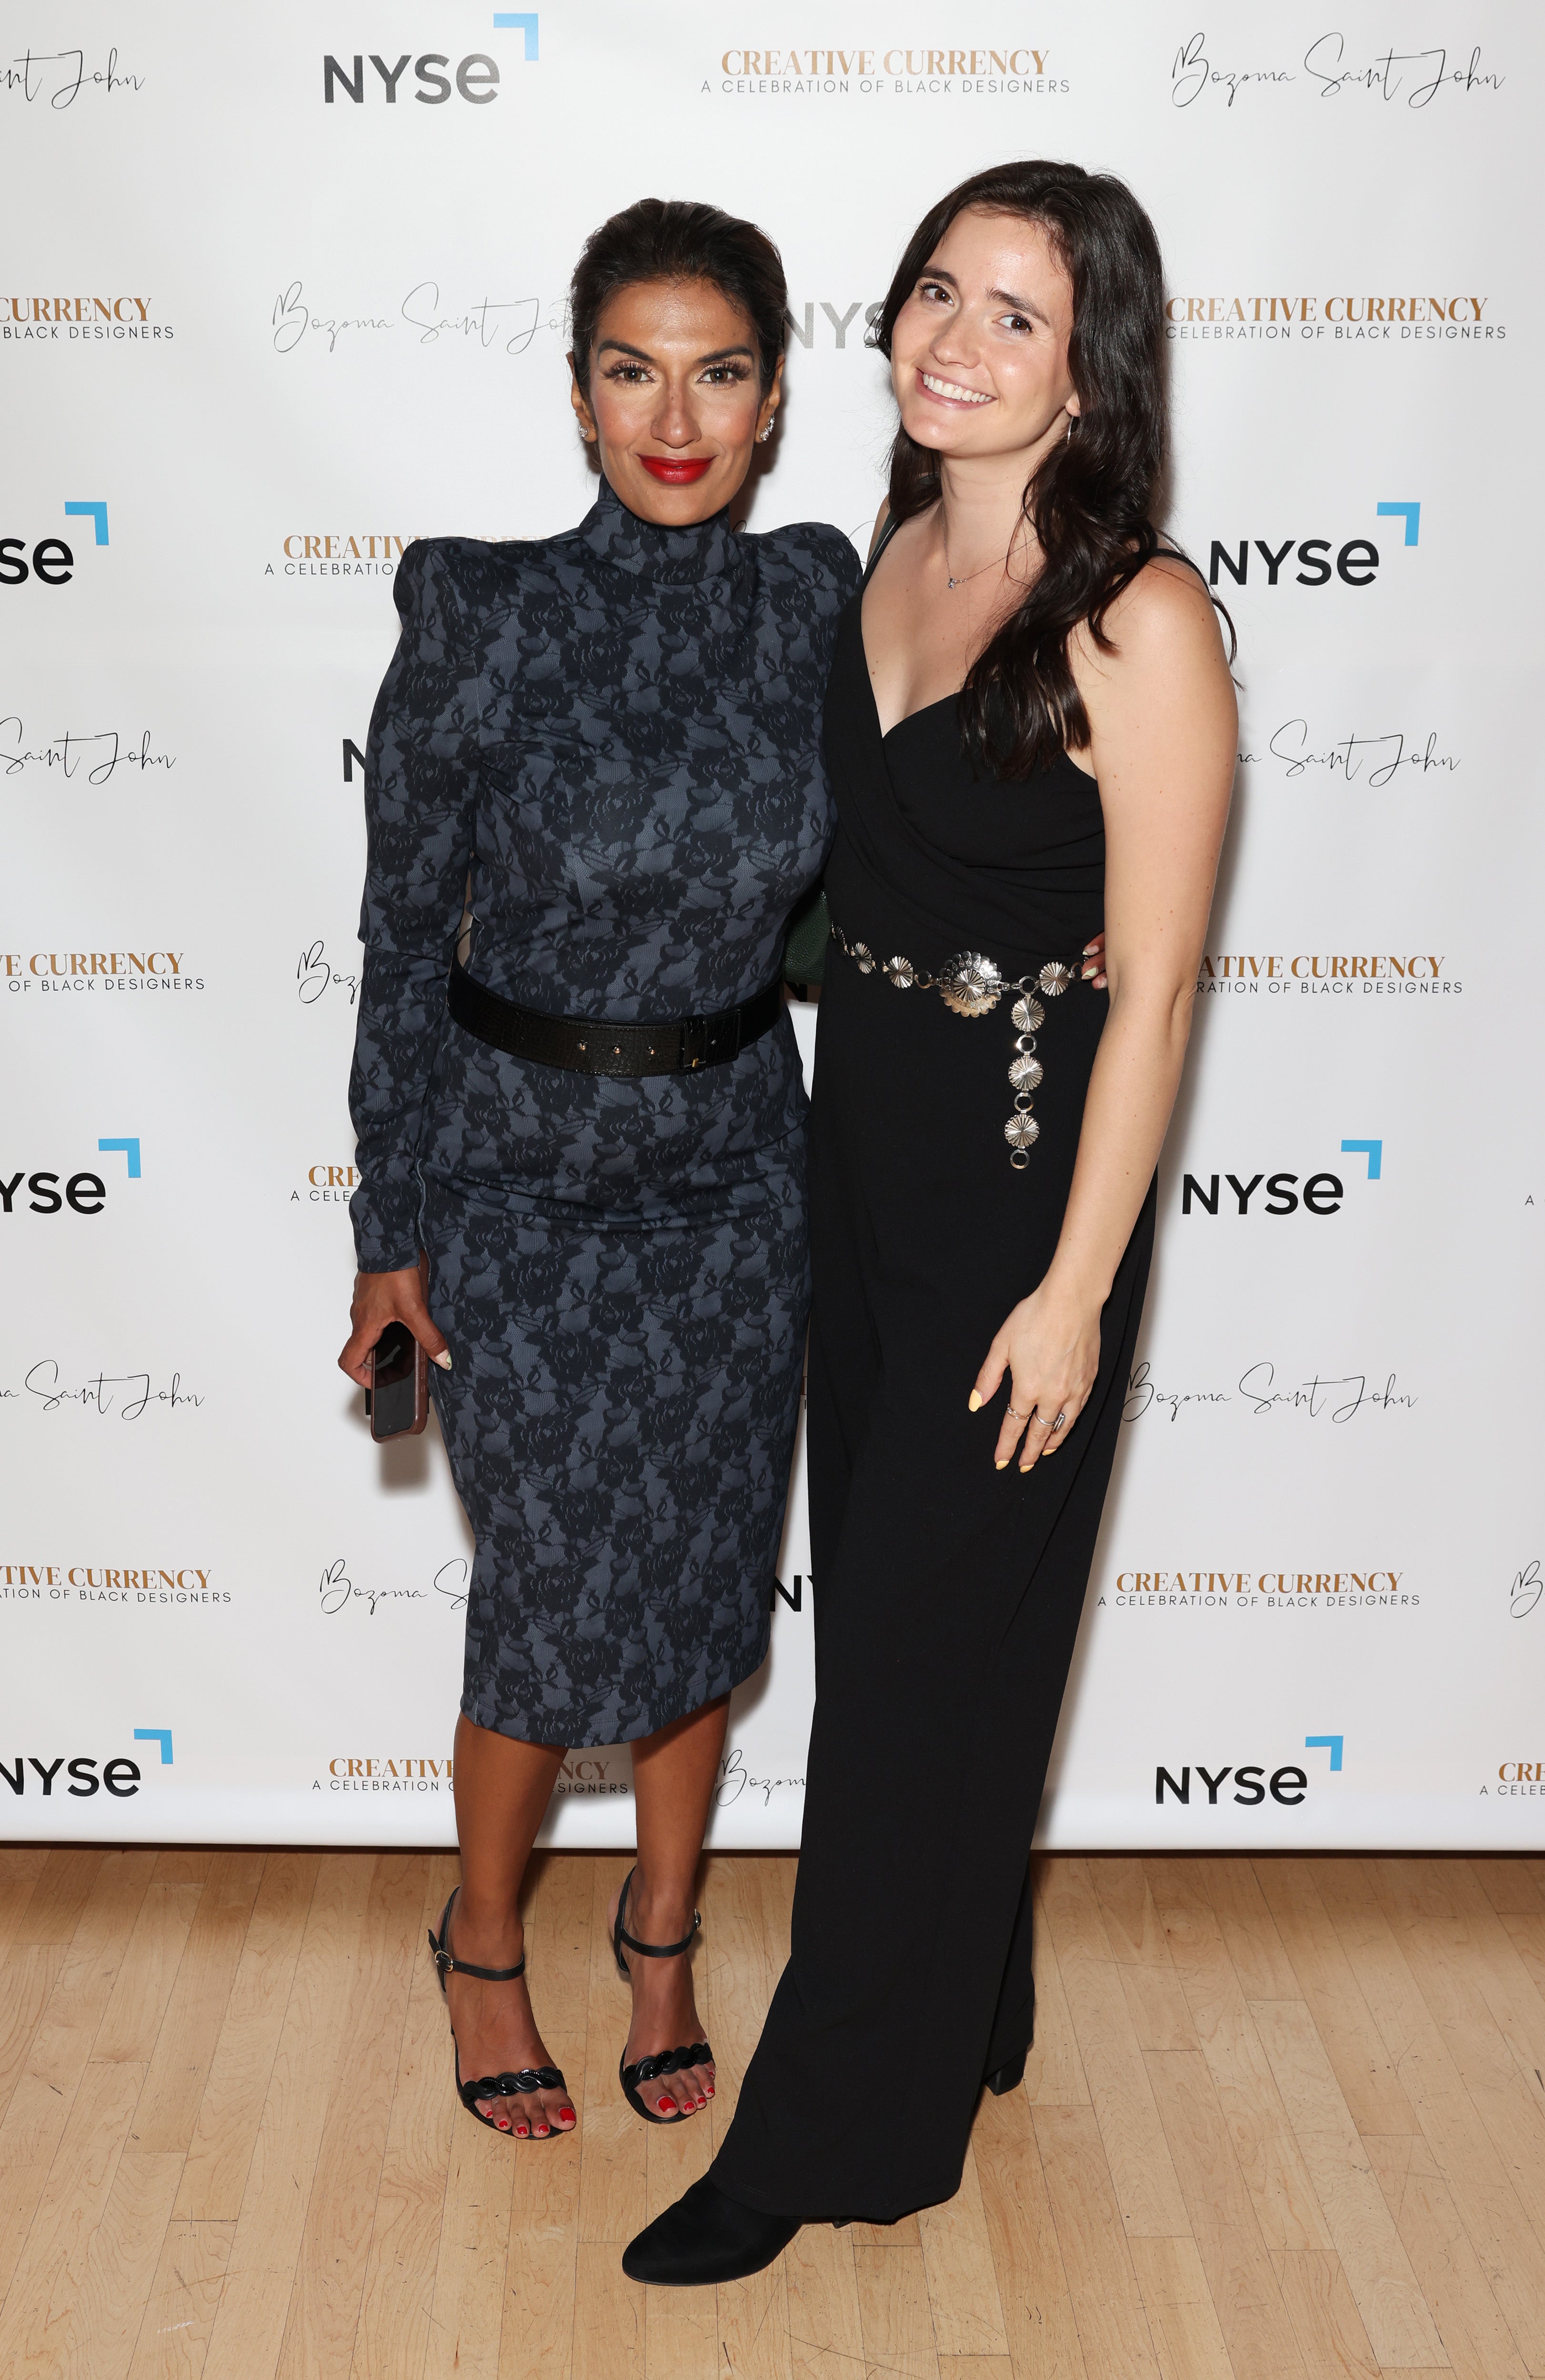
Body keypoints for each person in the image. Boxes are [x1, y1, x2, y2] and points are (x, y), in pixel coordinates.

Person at [625, 159, 1236, 2283]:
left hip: (1016, 1184)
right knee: (895, 1614)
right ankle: (971, 1983)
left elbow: (1153, 979)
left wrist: (1076, 1288)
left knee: (904, 1675)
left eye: (1017, 317)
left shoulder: (1137, 618)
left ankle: (825, 2134)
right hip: (858, 1146)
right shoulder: (884, 557)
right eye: (934, 296)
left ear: (1093, 371)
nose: (954, 342)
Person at [338, 199, 862, 2144]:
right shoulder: (477, 609)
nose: (675, 410)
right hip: (518, 1180)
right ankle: (483, 1941)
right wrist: (391, 1233)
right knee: (550, 1598)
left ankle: (661, 1932)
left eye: (717, 369)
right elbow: (402, 941)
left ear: (774, 398)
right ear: (577, 395)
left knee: (711, 1580)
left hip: (738, 1169)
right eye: (632, 367)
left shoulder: (813, 595)